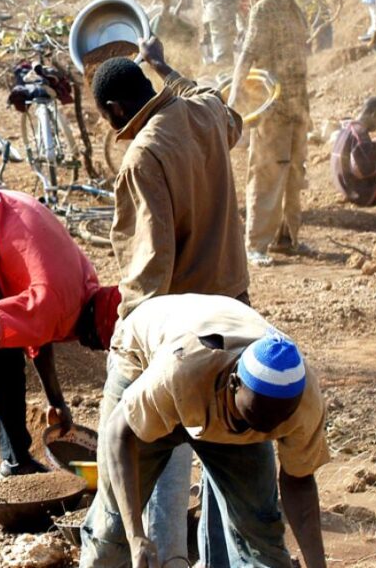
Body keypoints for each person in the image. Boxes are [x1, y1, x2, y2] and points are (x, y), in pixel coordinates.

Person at [90, 37, 249, 564]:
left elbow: (148, 272)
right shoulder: (204, 114)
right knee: (230, 465)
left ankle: (158, 556)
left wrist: (126, 344)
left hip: (181, 332)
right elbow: (218, 104)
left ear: (116, 110)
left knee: (139, 451)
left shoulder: (144, 157)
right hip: (238, 317)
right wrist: (163, 65)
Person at [80, 294, 328, 568]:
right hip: (146, 360)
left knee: (259, 529)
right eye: (254, 418)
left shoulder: (302, 401)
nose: (266, 428)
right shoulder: (178, 372)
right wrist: (135, 535)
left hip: (216, 387)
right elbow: (119, 432)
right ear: (234, 383)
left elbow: (299, 481)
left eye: (277, 424)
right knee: (113, 527)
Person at [0, 188, 120, 506]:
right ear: (93, 336)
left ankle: (16, 461)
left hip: (5, 230)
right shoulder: (55, 300)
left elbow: (39, 332)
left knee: (8, 344)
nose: (93, 349)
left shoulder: (85, 285)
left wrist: (56, 401)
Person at [229, 0, 312, 267]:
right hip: (272, 110)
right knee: (267, 174)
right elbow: (247, 54)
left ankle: (286, 238)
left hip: (297, 108)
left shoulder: (296, 12)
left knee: (294, 174)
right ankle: (256, 245)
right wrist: (234, 98)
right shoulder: (265, 10)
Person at [331, 96, 376, 206]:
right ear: (374, 115)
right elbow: (365, 170)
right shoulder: (360, 134)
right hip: (360, 193)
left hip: (344, 186)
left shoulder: (347, 127)